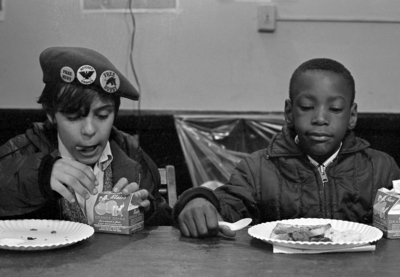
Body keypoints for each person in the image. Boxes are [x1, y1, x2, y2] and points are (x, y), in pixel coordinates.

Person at [173, 58, 400, 238]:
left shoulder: (380, 169)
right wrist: (198, 200)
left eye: (335, 109)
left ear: (352, 116)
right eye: (307, 106)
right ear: (289, 112)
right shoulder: (257, 170)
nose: (320, 118)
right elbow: (226, 206)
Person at [0, 46, 172, 226]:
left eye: (103, 116)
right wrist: (39, 177)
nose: (89, 130)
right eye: (74, 117)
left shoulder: (129, 150)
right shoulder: (20, 151)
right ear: (51, 115)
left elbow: (165, 222)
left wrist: (146, 211)